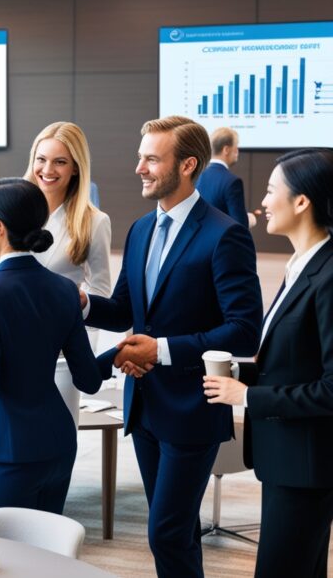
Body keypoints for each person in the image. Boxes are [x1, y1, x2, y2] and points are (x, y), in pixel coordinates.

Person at [81, 116, 263, 578]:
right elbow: (125, 309)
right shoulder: (141, 228)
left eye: (150, 159)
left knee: (165, 531)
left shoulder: (225, 234)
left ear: (187, 164)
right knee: (177, 532)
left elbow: (245, 331)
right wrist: (82, 305)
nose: (138, 167)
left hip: (191, 410)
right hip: (144, 404)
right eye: (140, 157)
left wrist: (160, 350)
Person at [203, 148, 333, 578]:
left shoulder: (328, 274)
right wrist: (242, 373)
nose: (262, 202)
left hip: (308, 465)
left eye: (271, 190)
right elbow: (299, 361)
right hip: (287, 459)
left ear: (302, 202)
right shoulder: (302, 265)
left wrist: (249, 396)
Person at [0, 177, 102, 514]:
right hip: (60, 442)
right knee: (46, 551)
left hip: (12, 449)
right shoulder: (63, 289)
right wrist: (117, 354)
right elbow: (89, 379)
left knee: (8, 555)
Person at [24, 122, 112, 424]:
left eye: (60, 162)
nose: (47, 169)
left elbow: (100, 292)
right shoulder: (12, 210)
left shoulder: (94, 222)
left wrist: (78, 350)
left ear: (75, 168)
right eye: (41, 159)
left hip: (59, 354)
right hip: (11, 347)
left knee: (55, 439)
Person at [197, 127, 250, 229]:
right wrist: (248, 220)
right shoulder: (232, 182)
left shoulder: (198, 176)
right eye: (236, 147)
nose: (238, 151)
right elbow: (240, 227)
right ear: (226, 150)